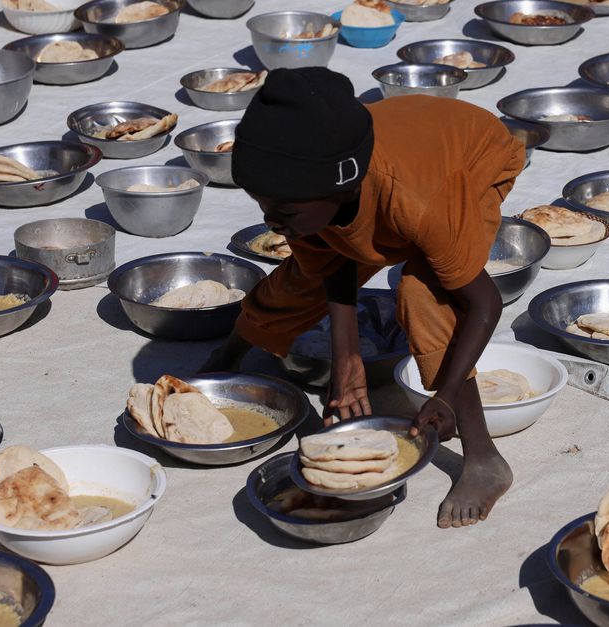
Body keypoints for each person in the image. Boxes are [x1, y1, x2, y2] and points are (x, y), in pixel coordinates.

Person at [201, 67, 524, 528]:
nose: (272, 221)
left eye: (283, 211)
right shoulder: (309, 184)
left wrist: (446, 393)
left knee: (425, 291)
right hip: (389, 173)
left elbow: (483, 302)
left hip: (470, 158)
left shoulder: (422, 201)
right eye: (262, 205)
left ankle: (484, 457)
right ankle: (232, 350)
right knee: (300, 280)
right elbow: (330, 263)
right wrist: (347, 361)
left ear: (343, 189)